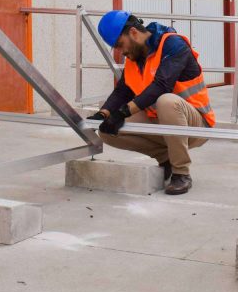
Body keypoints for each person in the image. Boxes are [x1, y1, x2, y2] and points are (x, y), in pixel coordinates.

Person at [88, 11, 215, 195]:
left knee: (167, 101)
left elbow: (162, 85)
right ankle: (165, 160)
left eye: (120, 45)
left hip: (196, 125)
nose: (122, 52)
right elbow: (122, 91)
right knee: (107, 131)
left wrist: (123, 112)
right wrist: (103, 114)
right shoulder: (134, 58)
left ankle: (181, 173)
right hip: (162, 122)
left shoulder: (173, 44)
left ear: (133, 33)